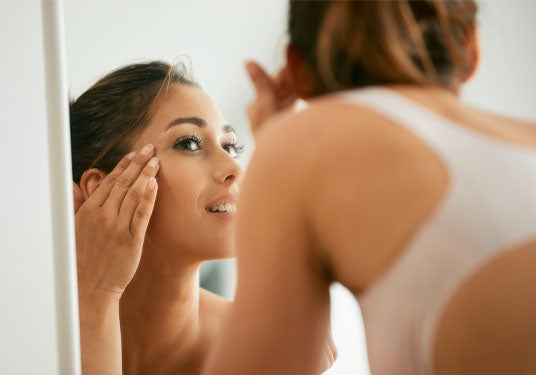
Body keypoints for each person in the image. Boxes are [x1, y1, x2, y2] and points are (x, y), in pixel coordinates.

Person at [203, 1, 536, 374]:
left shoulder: (293, 147)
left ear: (297, 71)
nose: (230, 166)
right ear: (472, 48)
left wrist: (277, 145)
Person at [71, 60, 336, 374]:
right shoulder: (28, 332)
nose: (235, 168)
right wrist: (97, 297)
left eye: (230, 146)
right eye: (190, 142)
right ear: (102, 189)